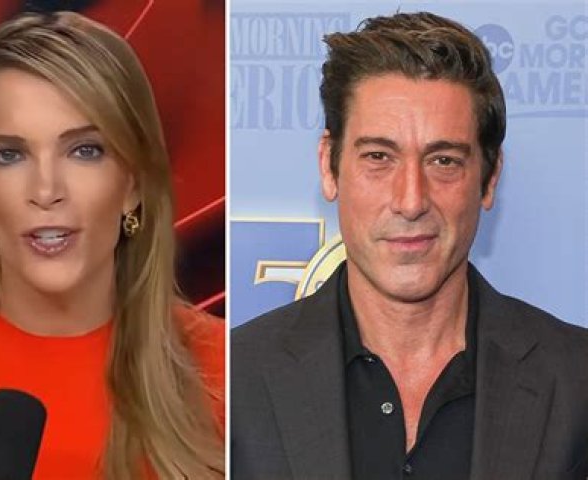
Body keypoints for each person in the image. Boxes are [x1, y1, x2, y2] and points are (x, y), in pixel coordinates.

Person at [231, 11, 588, 480]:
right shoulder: (233, 380)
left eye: (444, 161)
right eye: (379, 157)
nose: (411, 200)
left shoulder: (576, 382)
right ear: (329, 166)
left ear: (489, 178)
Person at [0, 11, 224, 479]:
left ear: (133, 182)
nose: (46, 190)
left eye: (85, 151)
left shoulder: (232, 373)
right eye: (9, 155)